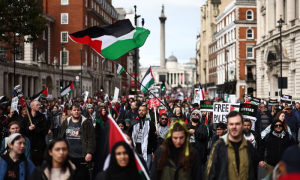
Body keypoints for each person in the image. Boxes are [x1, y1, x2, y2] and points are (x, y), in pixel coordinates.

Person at [206, 111, 258, 180]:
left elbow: (254, 173)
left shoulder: (249, 147)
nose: (234, 127)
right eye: (231, 124)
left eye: (237, 124)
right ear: (227, 126)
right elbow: (210, 173)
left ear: (242, 125)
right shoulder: (218, 146)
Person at [59, 103, 96, 180]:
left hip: (82, 156)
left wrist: (89, 152)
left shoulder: (86, 122)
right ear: (71, 111)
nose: (76, 112)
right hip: (68, 156)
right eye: (74, 110)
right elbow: (61, 136)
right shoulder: (66, 122)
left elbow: (91, 138)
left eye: (78, 110)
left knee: (83, 177)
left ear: (80, 111)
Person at [25, 100, 48, 166]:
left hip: (39, 145)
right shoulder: (26, 118)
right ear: (32, 106)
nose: (39, 106)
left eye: (39, 105)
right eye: (37, 105)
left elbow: (45, 130)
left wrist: (36, 129)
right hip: (29, 145)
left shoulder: (42, 117)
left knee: (38, 165)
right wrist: (28, 129)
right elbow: (22, 131)